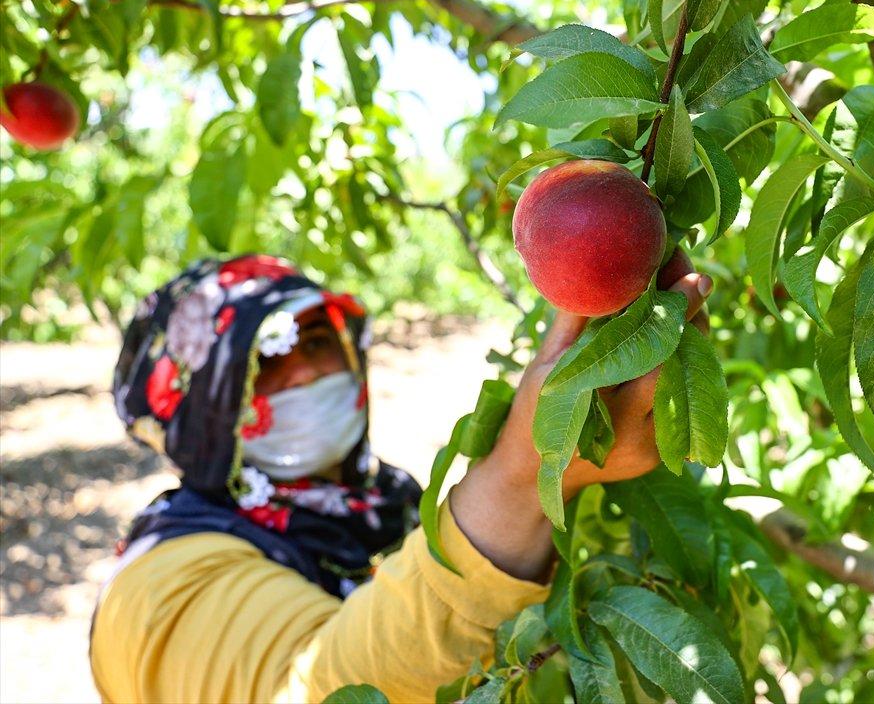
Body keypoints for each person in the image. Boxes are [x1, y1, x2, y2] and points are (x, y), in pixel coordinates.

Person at [89, 254, 712, 703]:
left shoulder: (391, 503)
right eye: (264, 363)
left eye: (316, 342)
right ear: (198, 409)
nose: (305, 373)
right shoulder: (157, 587)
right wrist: (522, 479)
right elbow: (313, 689)